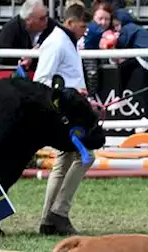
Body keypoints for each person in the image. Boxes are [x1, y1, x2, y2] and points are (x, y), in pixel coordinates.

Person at [34, 2, 91, 237]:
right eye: (82, 26)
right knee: (86, 155)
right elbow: (42, 80)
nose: (85, 30)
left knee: (64, 161)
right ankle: (59, 211)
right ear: (69, 23)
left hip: (68, 109)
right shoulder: (57, 43)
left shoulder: (66, 41)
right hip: (64, 111)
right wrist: (70, 97)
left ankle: (49, 219)